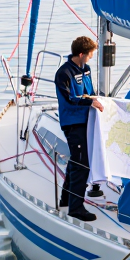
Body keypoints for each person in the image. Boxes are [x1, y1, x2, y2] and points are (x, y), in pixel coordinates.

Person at [54, 36, 105, 221]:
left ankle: (66, 200)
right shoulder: (63, 73)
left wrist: (97, 100)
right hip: (72, 122)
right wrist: (88, 101)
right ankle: (76, 208)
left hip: (87, 121)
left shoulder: (87, 69)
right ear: (81, 54)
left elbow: (89, 93)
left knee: (77, 160)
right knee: (82, 164)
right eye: (90, 55)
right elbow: (68, 98)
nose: (91, 58)